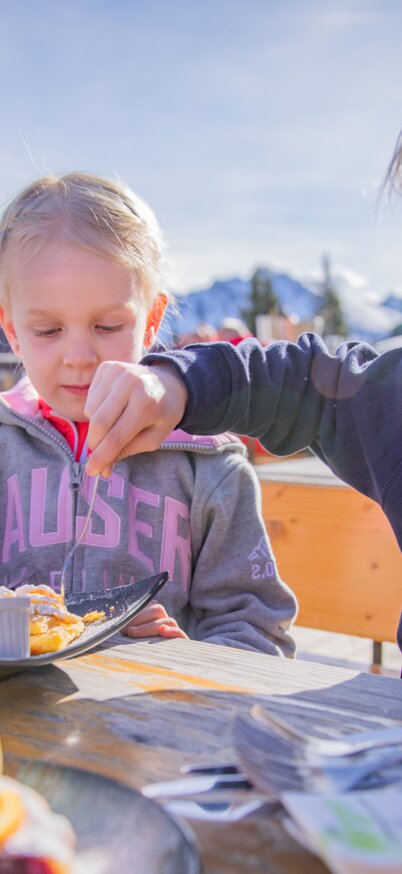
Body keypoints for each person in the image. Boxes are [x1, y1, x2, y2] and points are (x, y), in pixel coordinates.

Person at [0, 171, 297, 656]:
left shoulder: (206, 468)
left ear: (151, 321)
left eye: (107, 324)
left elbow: (260, 633)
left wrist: (186, 659)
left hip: (153, 722)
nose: (78, 356)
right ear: (12, 330)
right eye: (48, 330)